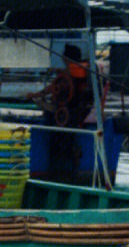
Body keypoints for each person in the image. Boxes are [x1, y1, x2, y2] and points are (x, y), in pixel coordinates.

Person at [33, 43, 89, 179]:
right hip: (77, 114)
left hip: (63, 116)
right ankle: (72, 172)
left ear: (65, 57)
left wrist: (35, 95)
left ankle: (57, 173)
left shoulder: (67, 74)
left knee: (59, 147)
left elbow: (52, 89)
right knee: (71, 144)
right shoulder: (84, 72)